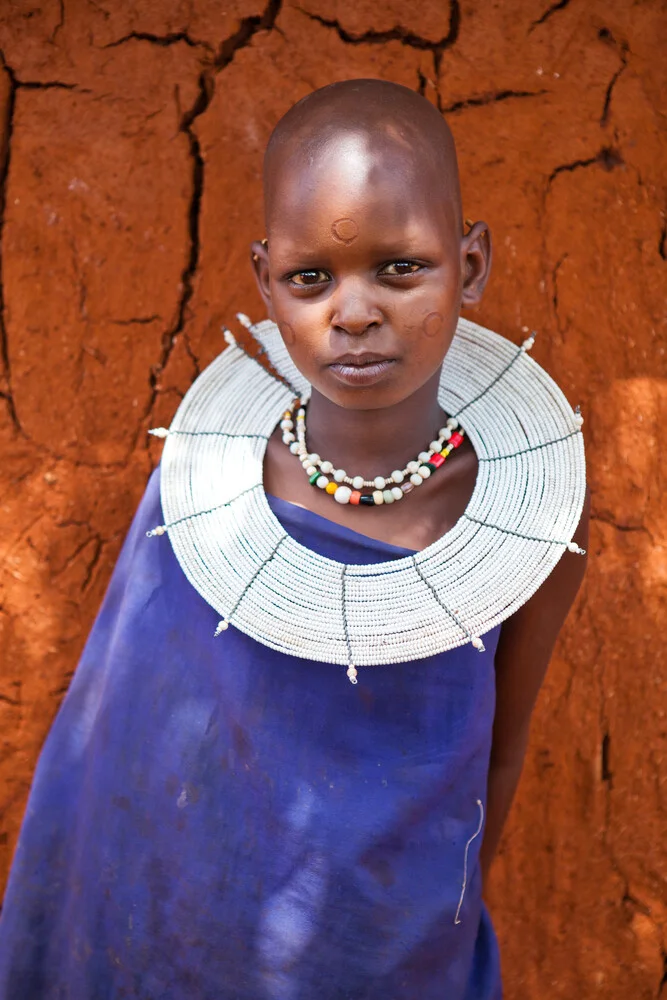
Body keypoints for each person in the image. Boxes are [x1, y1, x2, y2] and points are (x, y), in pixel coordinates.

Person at [0, 79, 589, 999]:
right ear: (264, 279)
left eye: (401, 268)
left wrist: (434, 918)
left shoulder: (527, 522)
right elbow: (119, 749)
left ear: (469, 265)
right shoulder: (201, 494)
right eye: (310, 278)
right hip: (182, 932)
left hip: (388, 941)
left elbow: (498, 752)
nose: (353, 313)